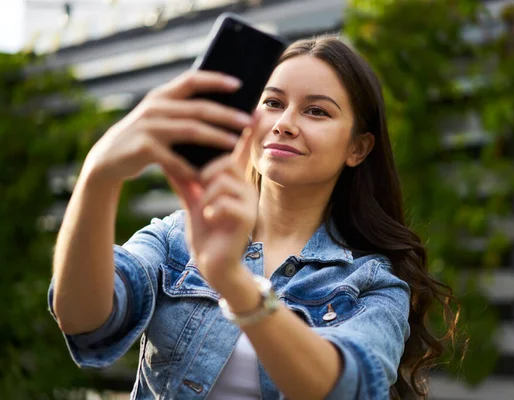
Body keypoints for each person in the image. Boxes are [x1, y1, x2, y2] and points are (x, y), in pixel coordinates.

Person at [49, 35, 457, 400]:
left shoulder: (372, 282)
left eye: (316, 112)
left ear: (359, 148)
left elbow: (345, 388)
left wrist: (233, 281)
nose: (284, 124)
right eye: (273, 103)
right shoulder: (179, 236)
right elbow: (84, 320)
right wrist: (99, 176)